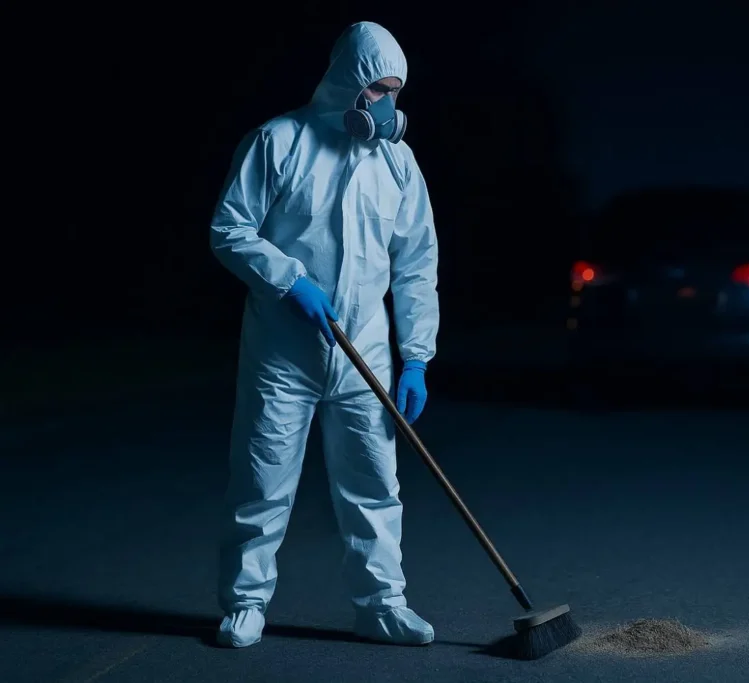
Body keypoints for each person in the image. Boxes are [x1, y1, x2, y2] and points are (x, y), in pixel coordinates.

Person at [209, 21, 439, 649]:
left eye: (395, 91)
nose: (387, 104)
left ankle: (382, 606)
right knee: (262, 481)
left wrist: (417, 357)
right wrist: (288, 280)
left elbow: (416, 264)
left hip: (365, 349)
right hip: (284, 351)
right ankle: (245, 604)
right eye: (378, 89)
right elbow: (230, 229)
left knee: (374, 485)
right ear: (347, 82)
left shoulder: (396, 161)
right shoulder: (278, 141)